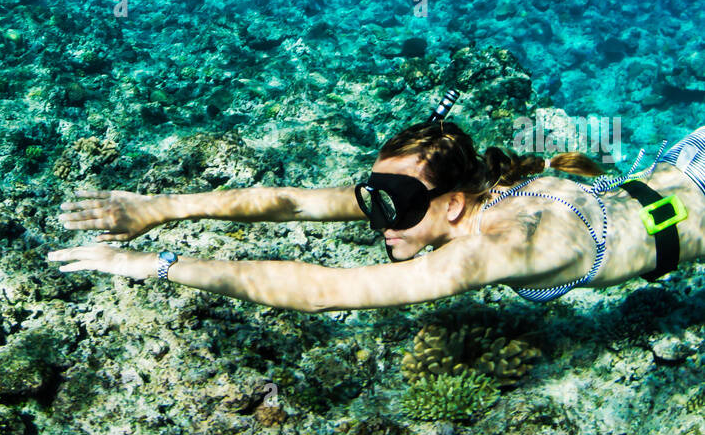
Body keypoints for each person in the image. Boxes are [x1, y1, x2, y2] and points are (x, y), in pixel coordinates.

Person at [48, 93, 705, 310]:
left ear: (451, 205)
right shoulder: (464, 193)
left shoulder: (501, 242)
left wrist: (153, 268)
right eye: (374, 198)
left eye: (392, 203)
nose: (375, 218)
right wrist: (158, 208)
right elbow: (292, 204)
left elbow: (328, 290)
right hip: (684, 164)